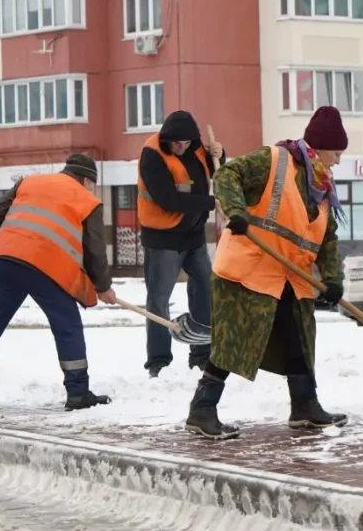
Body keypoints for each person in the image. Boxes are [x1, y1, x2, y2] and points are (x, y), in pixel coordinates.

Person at [184, 106, 348, 439]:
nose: (338, 161)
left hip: (291, 277)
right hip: (249, 269)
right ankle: (201, 411)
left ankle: (305, 405)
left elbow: (327, 238)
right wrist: (236, 212)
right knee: (234, 342)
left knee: (298, 341)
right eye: (336, 153)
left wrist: (333, 280)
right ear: (319, 147)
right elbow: (227, 176)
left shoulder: (322, 187)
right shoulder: (274, 160)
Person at [0, 154, 117, 411]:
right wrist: (103, 285)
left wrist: (18, 242)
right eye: (92, 184)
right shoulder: (88, 200)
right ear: (86, 179)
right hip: (46, 268)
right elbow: (95, 249)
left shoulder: (29, 182)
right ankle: (78, 394)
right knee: (67, 326)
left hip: (6, 261)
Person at [137, 110, 225, 378]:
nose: (181, 148)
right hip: (163, 238)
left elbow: (216, 170)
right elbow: (167, 200)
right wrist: (210, 204)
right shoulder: (152, 154)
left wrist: (221, 155)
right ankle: (158, 361)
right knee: (159, 298)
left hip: (193, 234)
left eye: (186, 143)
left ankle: (200, 353)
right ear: (167, 138)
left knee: (205, 289)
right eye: (177, 143)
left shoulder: (196, 148)